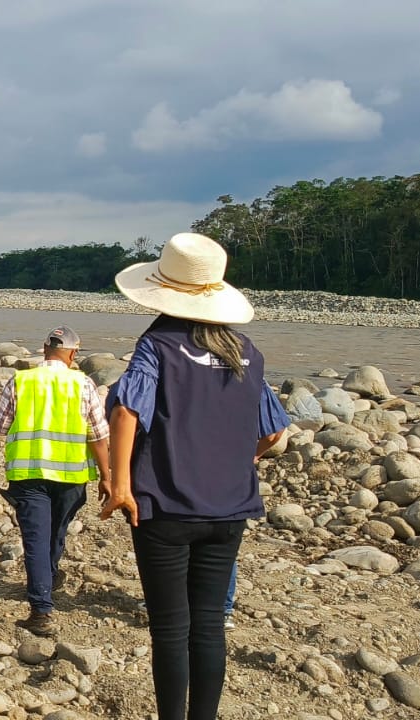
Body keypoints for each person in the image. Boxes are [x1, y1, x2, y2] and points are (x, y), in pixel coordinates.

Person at [100, 232, 289, 720]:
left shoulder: (158, 345)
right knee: (208, 626)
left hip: (165, 507)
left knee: (170, 629)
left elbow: (125, 412)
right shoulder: (246, 351)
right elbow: (273, 432)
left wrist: (120, 485)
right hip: (230, 510)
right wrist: (240, 461)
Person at [0, 326, 111, 637]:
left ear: (45, 349)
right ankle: (48, 580)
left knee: (36, 539)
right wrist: (107, 476)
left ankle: (41, 610)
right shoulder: (83, 384)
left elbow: (1, 426)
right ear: (74, 354)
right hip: (71, 475)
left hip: (29, 472)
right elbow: (98, 435)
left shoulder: (21, 380)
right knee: (56, 532)